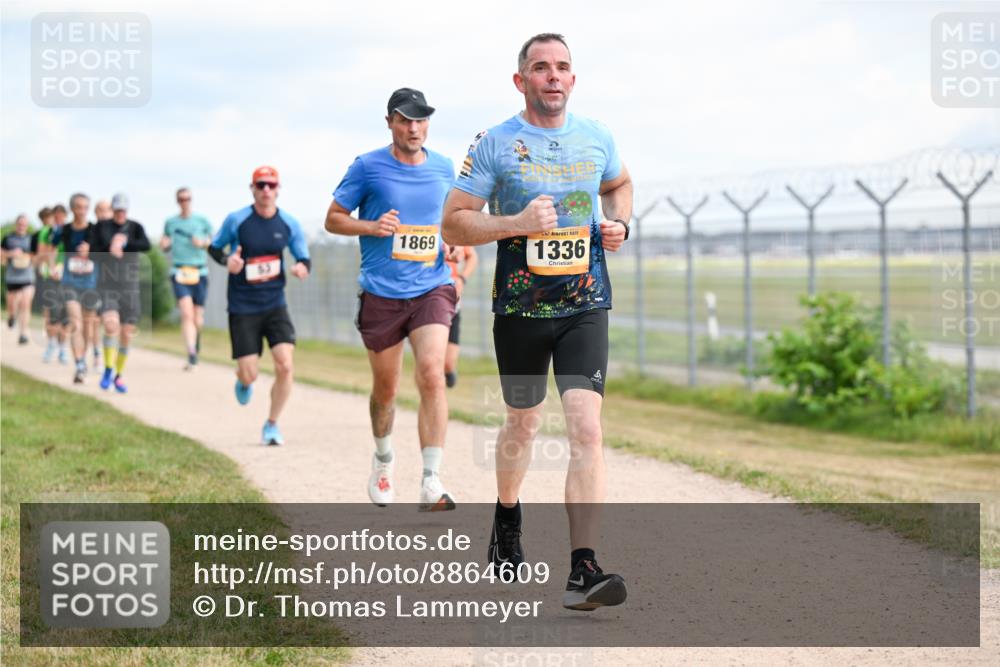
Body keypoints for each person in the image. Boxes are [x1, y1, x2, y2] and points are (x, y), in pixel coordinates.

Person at [442, 33, 633, 610]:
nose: (553, 76)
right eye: (541, 67)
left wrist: (620, 223)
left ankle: (583, 568)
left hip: (585, 304)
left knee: (587, 429)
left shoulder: (597, 136)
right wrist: (516, 222)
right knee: (522, 425)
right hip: (520, 310)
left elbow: (619, 185)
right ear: (520, 79)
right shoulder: (495, 143)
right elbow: (454, 223)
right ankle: (507, 515)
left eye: (563, 67)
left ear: (573, 79)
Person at [325, 88, 458, 511]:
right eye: (405, 120)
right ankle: (383, 460)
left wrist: (452, 240)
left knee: (432, 373)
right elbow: (333, 219)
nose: (414, 128)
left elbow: (450, 220)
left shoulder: (444, 167)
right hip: (382, 292)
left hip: (431, 286)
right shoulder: (367, 167)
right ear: (390, 123)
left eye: (421, 120)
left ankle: (431, 481)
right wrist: (372, 227)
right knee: (386, 389)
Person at [209, 166, 310, 446]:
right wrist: (228, 261)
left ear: (278, 190)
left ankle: (272, 424)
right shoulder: (237, 220)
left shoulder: (289, 223)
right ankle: (243, 379)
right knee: (249, 373)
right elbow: (215, 248)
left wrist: (302, 267)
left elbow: (303, 256)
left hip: (275, 303)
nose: (266, 190)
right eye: (261, 185)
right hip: (242, 306)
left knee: (285, 366)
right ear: (252, 189)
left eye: (271, 185)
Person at [93, 193, 151, 393]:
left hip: (129, 286)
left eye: (123, 211)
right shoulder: (102, 227)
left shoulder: (135, 227)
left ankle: (118, 374)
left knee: (126, 333)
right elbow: (93, 251)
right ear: (113, 210)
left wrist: (126, 244)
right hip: (107, 285)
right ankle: (108, 368)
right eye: (117, 210)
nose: (120, 214)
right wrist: (109, 248)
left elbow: (146, 245)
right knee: (111, 326)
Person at [161, 187, 213, 369]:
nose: (185, 202)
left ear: (191, 199)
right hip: (179, 271)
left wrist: (203, 243)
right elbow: (164, 243)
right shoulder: (171, 222)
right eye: (181, 199)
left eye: (187, 198)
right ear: (177, 201)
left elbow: (215, 242)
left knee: (197, 318)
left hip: (199, 271)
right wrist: (164, 244)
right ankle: (191, 353)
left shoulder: (202, 221)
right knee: (186, 313)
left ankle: (196, 343)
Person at [52, 193, 101, 384]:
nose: (82, 211)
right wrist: (53, 266)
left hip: (91, 283)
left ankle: (83, 359)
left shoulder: (95, 230)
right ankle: (79, 364)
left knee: (88, 328)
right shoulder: (64, 230)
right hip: (69, 282)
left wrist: (91, 250)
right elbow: (52, 247)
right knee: (76, 323)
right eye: (79, 207)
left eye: (85, 207)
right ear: (72, 209)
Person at [33, 207, 69, 361]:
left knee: (66, 315)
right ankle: (51, 343)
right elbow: (41, 254)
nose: (59, 219)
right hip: (50, 277)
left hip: (67, 277)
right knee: (52, 312)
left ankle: (63, 348)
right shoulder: (46, 232)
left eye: (62, 216)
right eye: (56, 217)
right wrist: (52, 266)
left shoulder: (69, 231)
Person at [443, 244, 478, 388]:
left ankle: (449, 372)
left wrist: (462, 279)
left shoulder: (451, 233)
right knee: (430, 361)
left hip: (450, 299)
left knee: (448, 363)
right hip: (425, 298)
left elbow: (472, 256)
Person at [2, 214, 36, 344]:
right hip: (12, 277)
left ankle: (23, 334)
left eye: (24, 224)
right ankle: (11, 316)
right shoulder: (8, 238)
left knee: (25, 304)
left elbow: (37, 254)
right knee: (12, 304)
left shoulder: (32, 238)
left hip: (27, 276)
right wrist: (11, 253)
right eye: (20, 224)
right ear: (16, 224)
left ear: (27, 226)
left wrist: (26, 256)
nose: (22, 226)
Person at [90, 199, 114, 369]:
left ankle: (108, 357)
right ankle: (97, 354)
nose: (104, 213)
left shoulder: (116, 231)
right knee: (94, 320)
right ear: (95, 213)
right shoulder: (91, 231)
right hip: (92, 282)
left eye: (107, 210)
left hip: (111, 284)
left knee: (109, 321)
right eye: (100, 210)